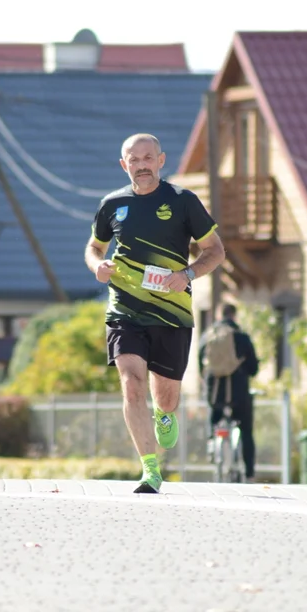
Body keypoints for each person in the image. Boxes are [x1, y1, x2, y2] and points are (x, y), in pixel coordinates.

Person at [85, 133, 225, 493]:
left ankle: (165, 414)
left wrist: (188, 274)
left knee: (166, 395)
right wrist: (97, 266)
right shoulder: (112, 204)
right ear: (124, 165)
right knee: (131, 385)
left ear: (161, 161)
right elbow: (94, 247)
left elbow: (215, 250)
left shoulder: (183, 201)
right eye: (134, 159)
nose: (142, 164)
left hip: (171, 313)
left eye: (148, 157)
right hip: (125, 309)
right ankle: (150, 470)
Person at [198, 303, 260, 481]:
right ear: (234, 316)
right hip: (239, 393)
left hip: (214, 393)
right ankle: (249, 473)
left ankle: (211, 441)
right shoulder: (242, 337)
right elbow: (253, 368)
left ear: (219, 315)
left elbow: (201, 367)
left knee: (213, 411)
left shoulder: (206, 337)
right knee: (246, 431)